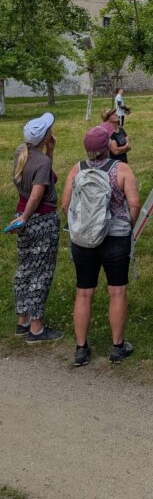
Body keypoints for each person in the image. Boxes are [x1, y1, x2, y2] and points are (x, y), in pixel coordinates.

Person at [61, 125, 141, 367]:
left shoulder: (77, 169)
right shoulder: (121, 170)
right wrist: (128, 226)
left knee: (84, 292)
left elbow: (65, 204)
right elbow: (135, 204)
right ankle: (117, 347)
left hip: (83, 239)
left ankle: (81, 349)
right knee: (117, 292)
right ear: (108, 146)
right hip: (115, 237)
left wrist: (79, 227)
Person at [6, 112, 63, 343]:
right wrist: (25, 217)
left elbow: (45, 177)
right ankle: (37, 328)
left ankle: (23, 321)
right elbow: (37, 195)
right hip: (41, 220)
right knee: (41, 272)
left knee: (25, 268)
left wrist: (50, 151)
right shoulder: (42, 162)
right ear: (46, 136)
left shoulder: (21, 153)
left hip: (23, 218)